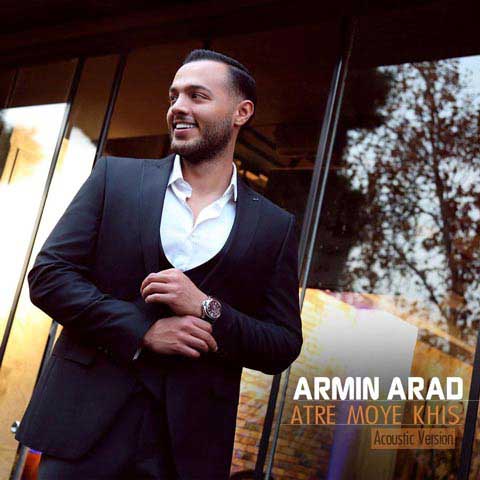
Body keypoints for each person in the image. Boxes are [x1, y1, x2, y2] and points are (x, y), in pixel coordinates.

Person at [15, 49, 302, 480]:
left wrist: (207, 307)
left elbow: (282, 343)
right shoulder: (115, 179)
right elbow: (49, 277)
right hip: (83, 430)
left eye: (197, 96)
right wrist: (142, 330)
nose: (178, 107)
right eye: (174, 96)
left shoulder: (273, 226)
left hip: (187, 451)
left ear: (241, 113)